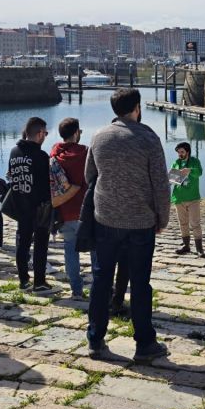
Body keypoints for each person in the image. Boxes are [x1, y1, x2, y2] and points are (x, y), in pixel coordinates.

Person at [84, 88, 170, 363]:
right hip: (140, 221)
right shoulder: (147, 137)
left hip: (105, 219)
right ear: (136, 107)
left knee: (101, 279)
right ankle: (144, 343)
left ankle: (95, 339)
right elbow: (160, 183)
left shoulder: (99, 136)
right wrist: (162, 217)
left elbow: (90, 176)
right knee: (140, 283)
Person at [8, 117, 53, 293]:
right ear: (39, 133)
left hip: (20, 204)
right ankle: (39, 282)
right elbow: (45, 184)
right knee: (41, 245)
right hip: (39, 206)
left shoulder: (14, 152)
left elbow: (12, 176)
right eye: (45, 133)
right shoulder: (41, 156)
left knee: (22, 242)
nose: (45, 137)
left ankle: (23, 280)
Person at [51, 117, 88, 300]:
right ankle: (100, 288)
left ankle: (76, 290)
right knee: (96, 251)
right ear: (75, 133)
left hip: (64, 211)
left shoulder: (54, 154)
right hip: (86, 211)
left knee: (70, 251)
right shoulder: (86, 153)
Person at [171, 141, 204, 256]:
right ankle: (186, 246)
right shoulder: (176, 162)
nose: (180, 154)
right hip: (179, 198)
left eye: (182, 152)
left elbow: (199, 173)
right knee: (183, 223)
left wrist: (190, 171)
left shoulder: (195, 161)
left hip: (193, 198)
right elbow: (172, 180)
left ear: (187, 152)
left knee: (195, 223)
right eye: (178, 152)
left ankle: (199, 249)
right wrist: (173, 177)